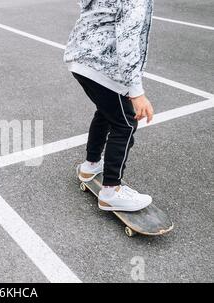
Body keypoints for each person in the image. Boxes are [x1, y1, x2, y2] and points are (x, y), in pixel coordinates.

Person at [64, 0, 155, 212]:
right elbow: (128, 39)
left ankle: (91, 166)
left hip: (82, 58)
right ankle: (111, 192)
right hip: (101, 64)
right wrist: (136, 92)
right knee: (125, 124)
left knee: (106, 112)